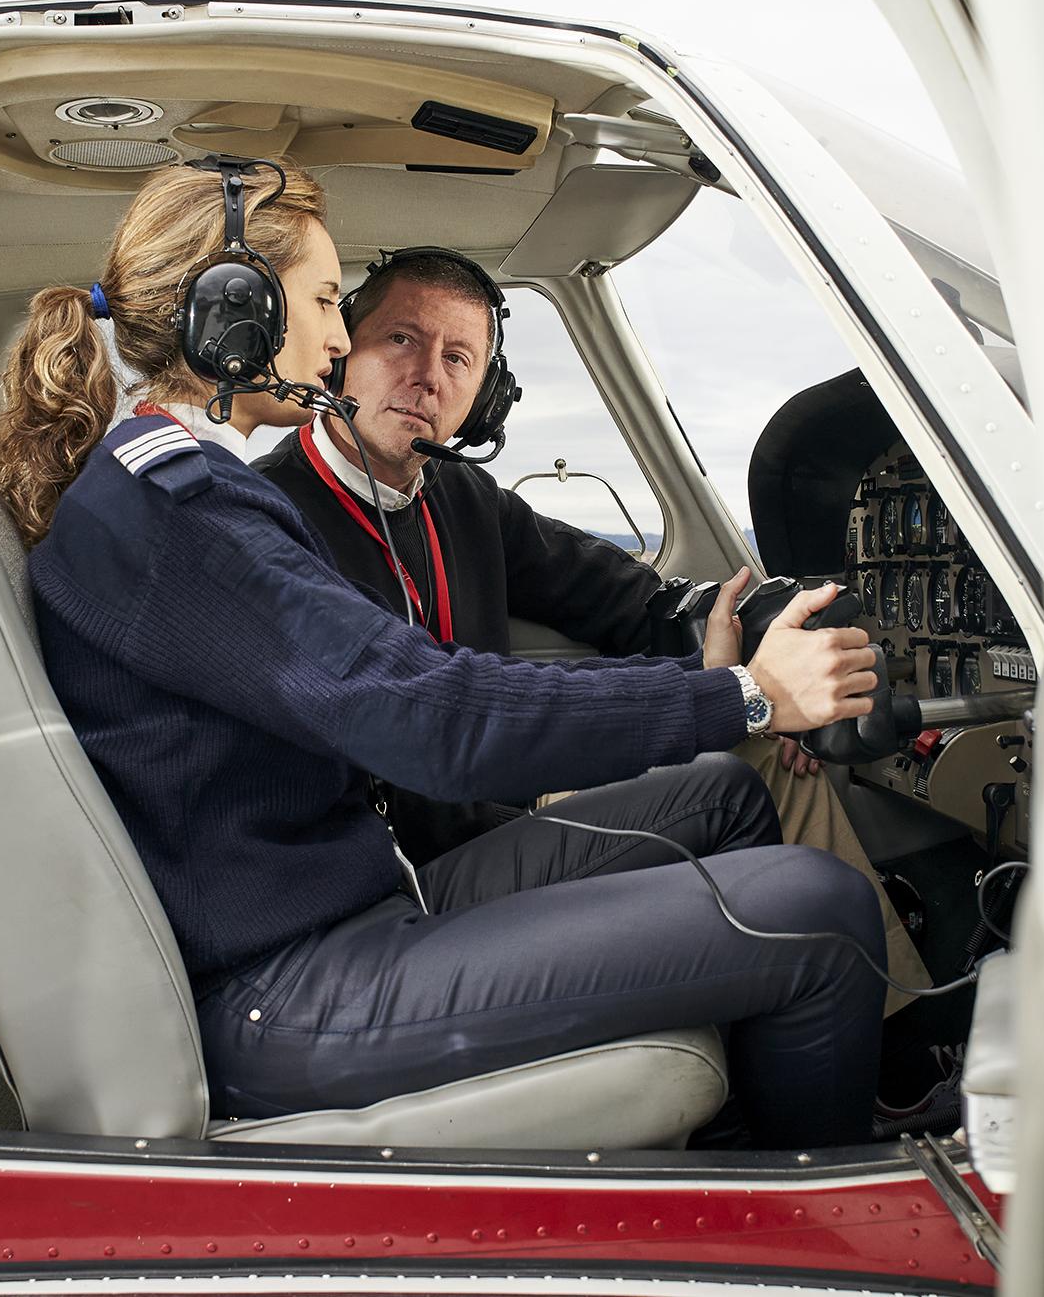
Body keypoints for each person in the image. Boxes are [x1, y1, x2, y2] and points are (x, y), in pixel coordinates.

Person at [0, 156, 888, 1147]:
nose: (333, 339)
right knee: (818, 909)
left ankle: (742, 1114)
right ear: (232, 308)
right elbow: (425, 715)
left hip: (349, 902)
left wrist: (713, 684)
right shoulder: (182, 507)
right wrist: (745, 700)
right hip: (284, 988)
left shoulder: (167, 480)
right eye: (326, 301)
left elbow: (425, 686)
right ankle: (813, 1215)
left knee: (727, 796)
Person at [251, 247, 930, 1012]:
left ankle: (899, 1039)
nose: (428, 376)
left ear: (485, 396)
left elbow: (630, 601)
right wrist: (737, 695)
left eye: (459, 357)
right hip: (404, 871)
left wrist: (748, 657)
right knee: (732, 763)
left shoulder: (465, 498)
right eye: (401, 341)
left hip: (506, 813)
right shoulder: (270, 516)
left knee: (768, 758)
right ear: (341, 353)